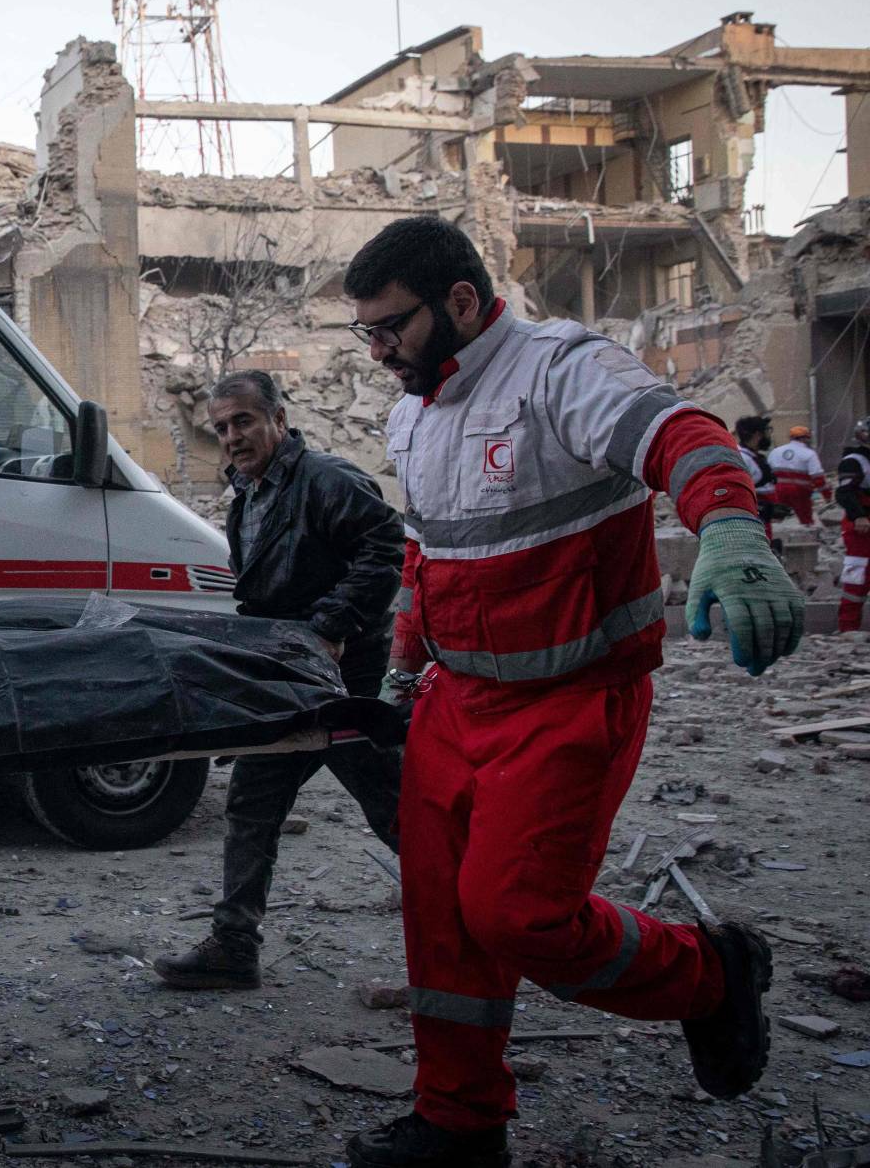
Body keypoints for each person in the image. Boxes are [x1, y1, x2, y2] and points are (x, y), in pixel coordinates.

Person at [338, 216, 804, 1168]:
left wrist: (729, 527)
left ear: (460, 301)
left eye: (391, 327)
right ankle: (460, 1122)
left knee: (517, 913)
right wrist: (404, 662)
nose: (378, 350)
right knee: (442, 918)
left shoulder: (561, 370)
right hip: (455, 702)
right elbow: (428, 554)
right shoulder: (412, 414)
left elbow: (683, 435)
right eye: (367, 332)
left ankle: (711, 975)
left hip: (570, 700)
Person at [153, 370, 404, 991]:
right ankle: (234, 944)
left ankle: (479, 918)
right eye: (221, 427)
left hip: (340, 681)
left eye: (243, 421)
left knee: (394, 805)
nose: (232, 437)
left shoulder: (327, 480)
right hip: (288, 677)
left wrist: (333, 625)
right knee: (253, 799)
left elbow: (385, 547)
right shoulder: (249, 495)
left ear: (279, 420)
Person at [836, 417, 870, 633]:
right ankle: (848, 628)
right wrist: (859, 516)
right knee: (857, 577)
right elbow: (844, 493)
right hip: (861, 527)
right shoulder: (854, 461)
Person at [768, 425, 829, 526]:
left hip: (778, 489)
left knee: (777, 518)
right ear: (805, 438)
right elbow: (818, 478)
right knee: (806, 521)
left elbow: (767, 473)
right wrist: (827, 495)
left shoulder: (775, 451)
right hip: (800, 492)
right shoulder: (809, 453)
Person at [734, 414, 780, 543]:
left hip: (762, 519)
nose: (768, 436)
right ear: (757, 435)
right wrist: (762, 506)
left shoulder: (754, 456)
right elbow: (738, 492)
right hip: (753, 523)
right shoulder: (743, 458)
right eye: (766, 432)